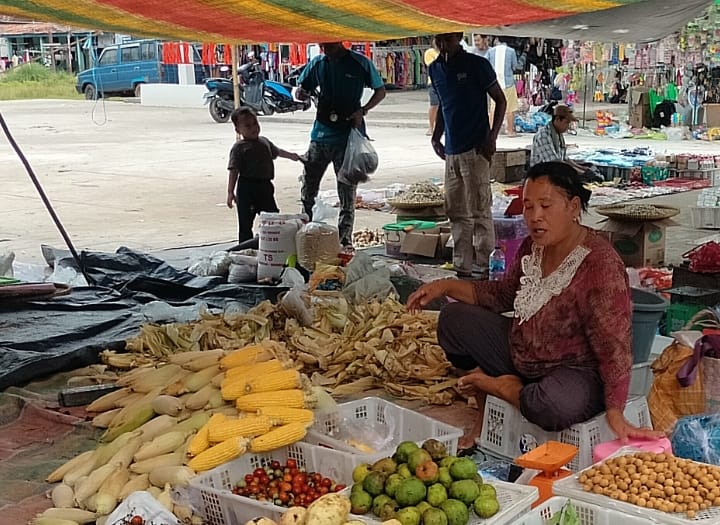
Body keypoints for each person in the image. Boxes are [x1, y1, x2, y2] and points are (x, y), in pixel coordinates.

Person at [408, 161, 665, 450]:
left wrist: (616, 412)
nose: (535, 217)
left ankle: (502, 387)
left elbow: (614, 347)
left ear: (573, 206)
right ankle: (491, 396)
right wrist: (444, 286)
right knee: (453, 319)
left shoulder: (599, 264)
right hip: (522, 350)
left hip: (574, 371)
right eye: (529, 207)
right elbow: (503, 295)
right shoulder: (532, 247)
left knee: (551, 405)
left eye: (546, 205)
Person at [429, 32, 506, 278]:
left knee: (480, 209)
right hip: (451, 151)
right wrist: (435, 136)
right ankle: (462, 265)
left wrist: (491, 138)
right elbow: (443, 105)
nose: (443, 45)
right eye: (438, 40)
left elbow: (500, 100)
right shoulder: (435, 69)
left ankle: (484, 266)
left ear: (459, 37)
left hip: (476, 148)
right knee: (456, 210)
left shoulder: (477, 65)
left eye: (447, 40)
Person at [295, 42, 386, 248]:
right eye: (323, 45)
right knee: (308, 188)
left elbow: (380, 91)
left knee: (347, 192)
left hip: (348, 137)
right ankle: (304, 235)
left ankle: (344, 242)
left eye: (330, 45)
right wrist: (300, 93)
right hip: (320, 135)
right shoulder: (317, 64)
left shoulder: (360, 63)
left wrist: (363, 110)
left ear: (340, 41)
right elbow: (301, 89)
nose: (326, 49)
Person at [226, 107, 300, 244]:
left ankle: (274, 245)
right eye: (247, 126)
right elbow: (233, 170)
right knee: (245, 224)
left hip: (265, 187)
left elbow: (277, 152)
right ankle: (245, 249)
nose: (253, 128)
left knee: (273, 219)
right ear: (238, 130)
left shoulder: (264, 141)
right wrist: (230, 192)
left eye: (255, 123)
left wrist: (291, 156)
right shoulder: (239, 148)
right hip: (247, 188)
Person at [487, 38, 520, 137]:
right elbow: (515, 66)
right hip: (508, 83)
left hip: (495, 83)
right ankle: (510, 131)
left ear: (497, 40)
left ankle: (491, 131)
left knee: (493, 107)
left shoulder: (490, 51)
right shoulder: (511, 51)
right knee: (510, 107)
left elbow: (486, 64)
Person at [423, 43, 439, 136]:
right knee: (434, 104)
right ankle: (431, 127)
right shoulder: (430, 52)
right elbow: (432, 65)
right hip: (433, 82)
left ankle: (440, 126)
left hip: (444, 82)